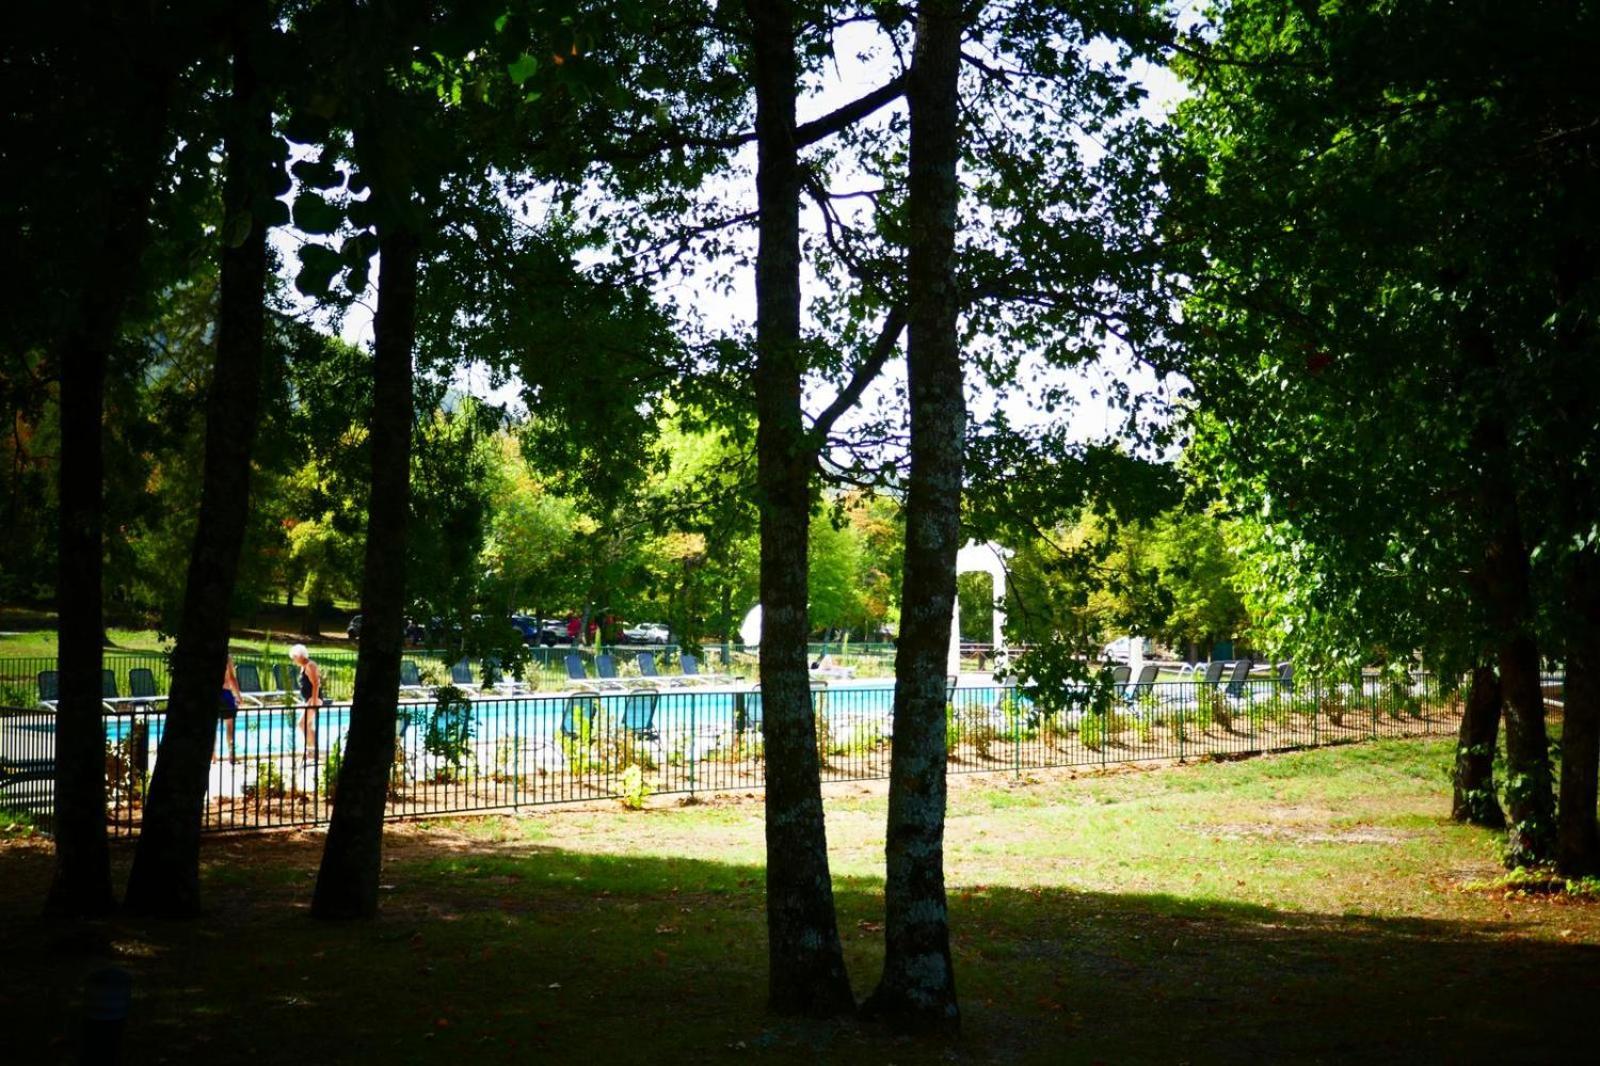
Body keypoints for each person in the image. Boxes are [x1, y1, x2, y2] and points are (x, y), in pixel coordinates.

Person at [290, 643, 322, 759]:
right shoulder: (303, 666)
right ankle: (311, 751)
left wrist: (313, 701)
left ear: (300, 656)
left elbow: (316, 684)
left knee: (301, 724)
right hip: (308, 699)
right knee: (307, 725)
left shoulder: (310, 665)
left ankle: (313, 749)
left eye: (294, 658)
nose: (294, 661)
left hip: (314, 699)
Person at [214, 655, 244, 763]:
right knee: (230, 727)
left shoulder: (208, 655)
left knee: (213, 727)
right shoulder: (227, 657)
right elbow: (231, 678)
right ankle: (231, 754)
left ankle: (213, 755)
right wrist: (239, 696)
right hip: (226, 694)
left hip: (213, 695)